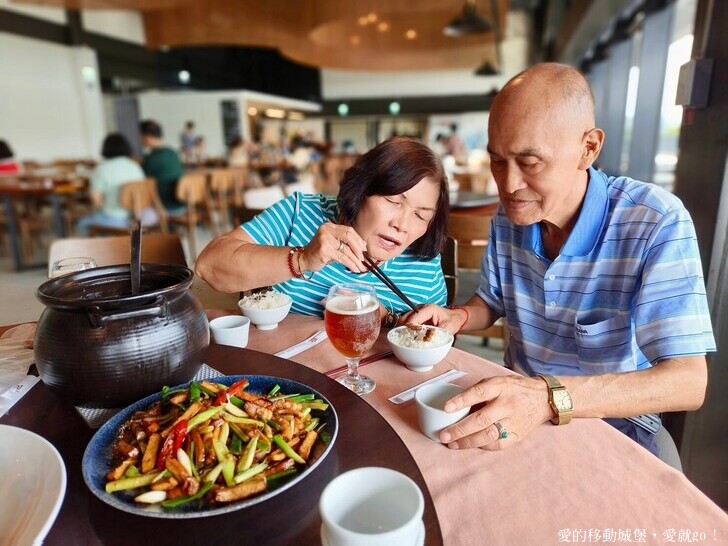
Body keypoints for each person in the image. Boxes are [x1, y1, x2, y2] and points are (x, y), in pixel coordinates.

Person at [408, 63, 715, 456]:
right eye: (498, 161)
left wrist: (546, 398)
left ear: (588, 148)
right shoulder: (513, 214)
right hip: (516, 401)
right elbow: (493, 301)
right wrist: (458, 318)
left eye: (530, 162)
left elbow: (687, 382)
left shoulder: (655, 221)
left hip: (611, 420)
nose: (508, 185)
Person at [196, 137, 450, 322]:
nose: (402, 225)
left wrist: (388, 320)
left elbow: (438, 337)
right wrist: (303, 259)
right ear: (361, 191)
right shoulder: (300, 213)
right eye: (393, 201)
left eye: (420, 215)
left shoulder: (424, 264)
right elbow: (209, 266)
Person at [76, 133, 146, 235]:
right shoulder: (135, 166)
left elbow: (96, 200)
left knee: (82, 224)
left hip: (114, 219)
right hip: (137, 217)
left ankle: (107, 246)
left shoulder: (101, 169)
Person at [140, 120, 185, 213]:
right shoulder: (173, 153)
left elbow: (141, 185)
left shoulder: (152, 158)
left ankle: (136, 228)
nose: (140, 140)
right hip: (183, 204)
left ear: (148, 138)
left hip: (164, 207)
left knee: (134, 218)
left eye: (141, 137)